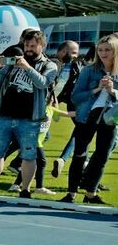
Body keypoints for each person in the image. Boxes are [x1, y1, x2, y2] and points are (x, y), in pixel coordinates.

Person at [0, 29, 58, 198]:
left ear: (42, 45)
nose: (28, 48)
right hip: (5, 114)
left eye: (33, 46)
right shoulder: (14, 60)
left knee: (29, 155)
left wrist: (27, 68)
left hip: (30, 118)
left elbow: (43, 83)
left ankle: (25, 190)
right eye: (27, 45)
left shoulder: (49, 65)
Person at [61, 33, 118, 204]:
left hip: (110, 119)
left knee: (102, 156)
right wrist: (97, 88)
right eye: (100, 49)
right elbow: (75, 97)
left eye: (107, 49)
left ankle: (90, 194)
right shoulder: (89, 70)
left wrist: (112, 91)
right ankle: (71, 194)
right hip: (87, 117)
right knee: (79, 154)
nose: (103, 53)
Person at [51, 41, 81, 178]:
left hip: (66, 102)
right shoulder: (54, 65)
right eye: (74, 53)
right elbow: (56, 88)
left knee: (81, 131)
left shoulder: (69, 66)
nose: (76, 56)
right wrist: (53, 102)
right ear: (64, 52)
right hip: (49, 104)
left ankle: (65, 160)